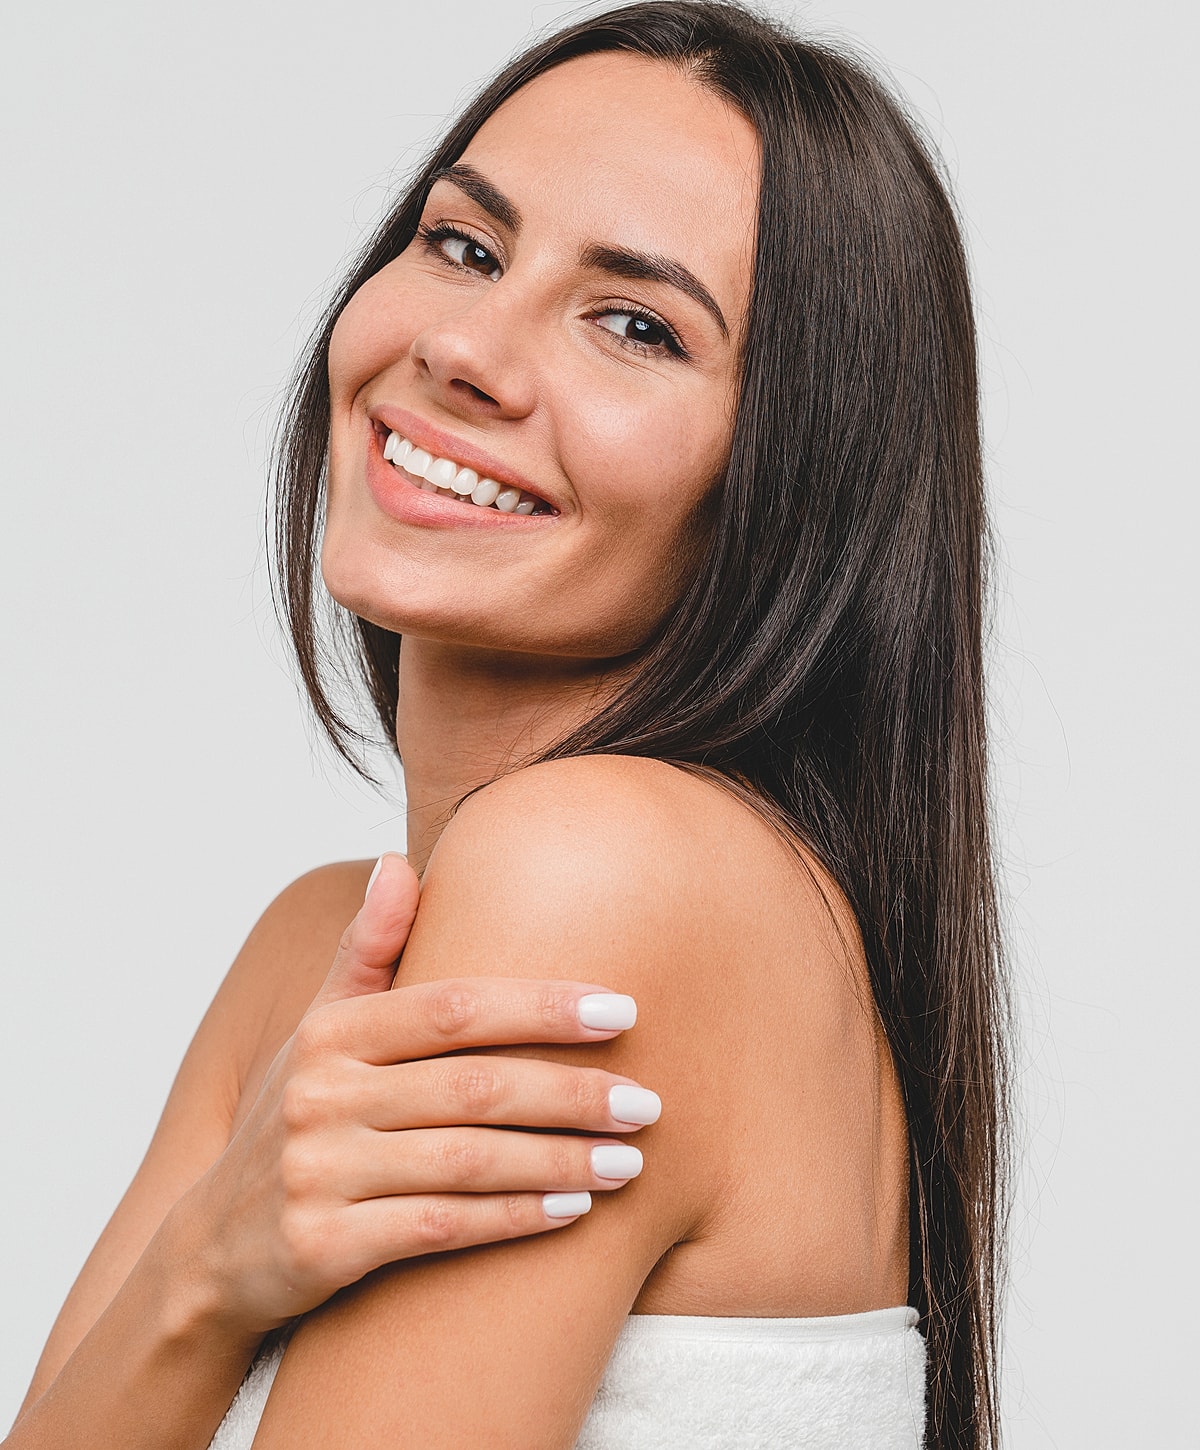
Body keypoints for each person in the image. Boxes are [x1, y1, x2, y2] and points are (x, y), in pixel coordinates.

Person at [6, 2, 1008, 1447]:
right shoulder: (315, 946)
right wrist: (204, 1273)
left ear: (791, 486)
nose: (465, 346)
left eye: (636, 325)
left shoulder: (597, 877)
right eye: (466, 246)